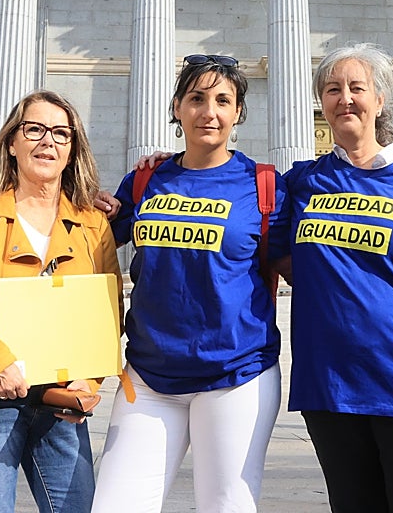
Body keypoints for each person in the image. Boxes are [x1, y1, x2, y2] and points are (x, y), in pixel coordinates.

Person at [271, 43, 393, 513]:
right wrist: (164, 164)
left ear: (381, 100)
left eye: (356, 88)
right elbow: (274, 251)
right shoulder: (303, 180)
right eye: (332, 89)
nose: (345, 99)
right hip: (332, 382)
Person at [91, 55, 289, 513]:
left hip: (236, 376)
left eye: (223, 100)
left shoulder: (263, 186)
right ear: (177, 107)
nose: (210, 111)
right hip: (148, 376)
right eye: (197, 99)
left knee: (226, 507)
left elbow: (304, 263)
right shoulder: (146, 178)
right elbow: (90, 235)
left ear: (238, 112)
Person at [0, 90, 122, 513]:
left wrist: (89, 382)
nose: (47, 141)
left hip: (59, 402)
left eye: (60, 133)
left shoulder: (93, 224)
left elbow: (107, 314)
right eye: (34, 129)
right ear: (12, 143)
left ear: (72, 150)